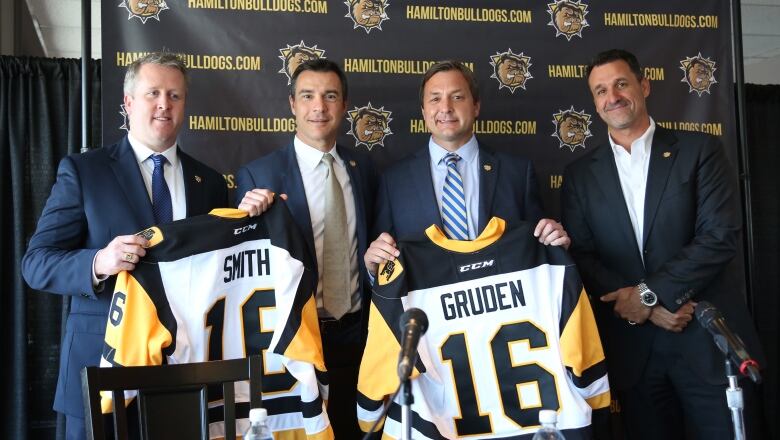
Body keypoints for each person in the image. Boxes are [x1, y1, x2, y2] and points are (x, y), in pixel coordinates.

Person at [21, 52, 228, 439]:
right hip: (102, 370)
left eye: (175, 95)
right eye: (153, 93)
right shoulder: (85, 171)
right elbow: (35, 263)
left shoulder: (211, 183)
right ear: (128, 102)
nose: (164, 104)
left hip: (186, 374)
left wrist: (258, 219)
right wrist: (100, 261)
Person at [561, 48, 764, 439]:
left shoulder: (699, 150)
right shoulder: (580, 175)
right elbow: (582, 255)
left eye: (621, 84)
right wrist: (645, 307)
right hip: (635, 353)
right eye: (600, 90)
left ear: (644, 85)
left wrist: (649, 295)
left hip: (706, 345)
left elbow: (719, 237)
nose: (612, 96)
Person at [235, 58, 376, 438]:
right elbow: (241, 264)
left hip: (358, 336)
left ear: (344, 105)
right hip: (295, 342)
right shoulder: (257, 175)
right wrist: (248, 217)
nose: (320, 107)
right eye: (308, 96)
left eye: (330, 96)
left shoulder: (365, 168)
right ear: (292, 104)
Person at [364, 60, 569, 276]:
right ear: (424, 112)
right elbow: (384, 266)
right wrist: (372, 268)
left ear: (476, 106)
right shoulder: (394, 181)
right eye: (435, 99)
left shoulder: (518, 173)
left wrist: (554, 246)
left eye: (457, 97)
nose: (445, 108)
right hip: (427, 307)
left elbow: (539, 252)